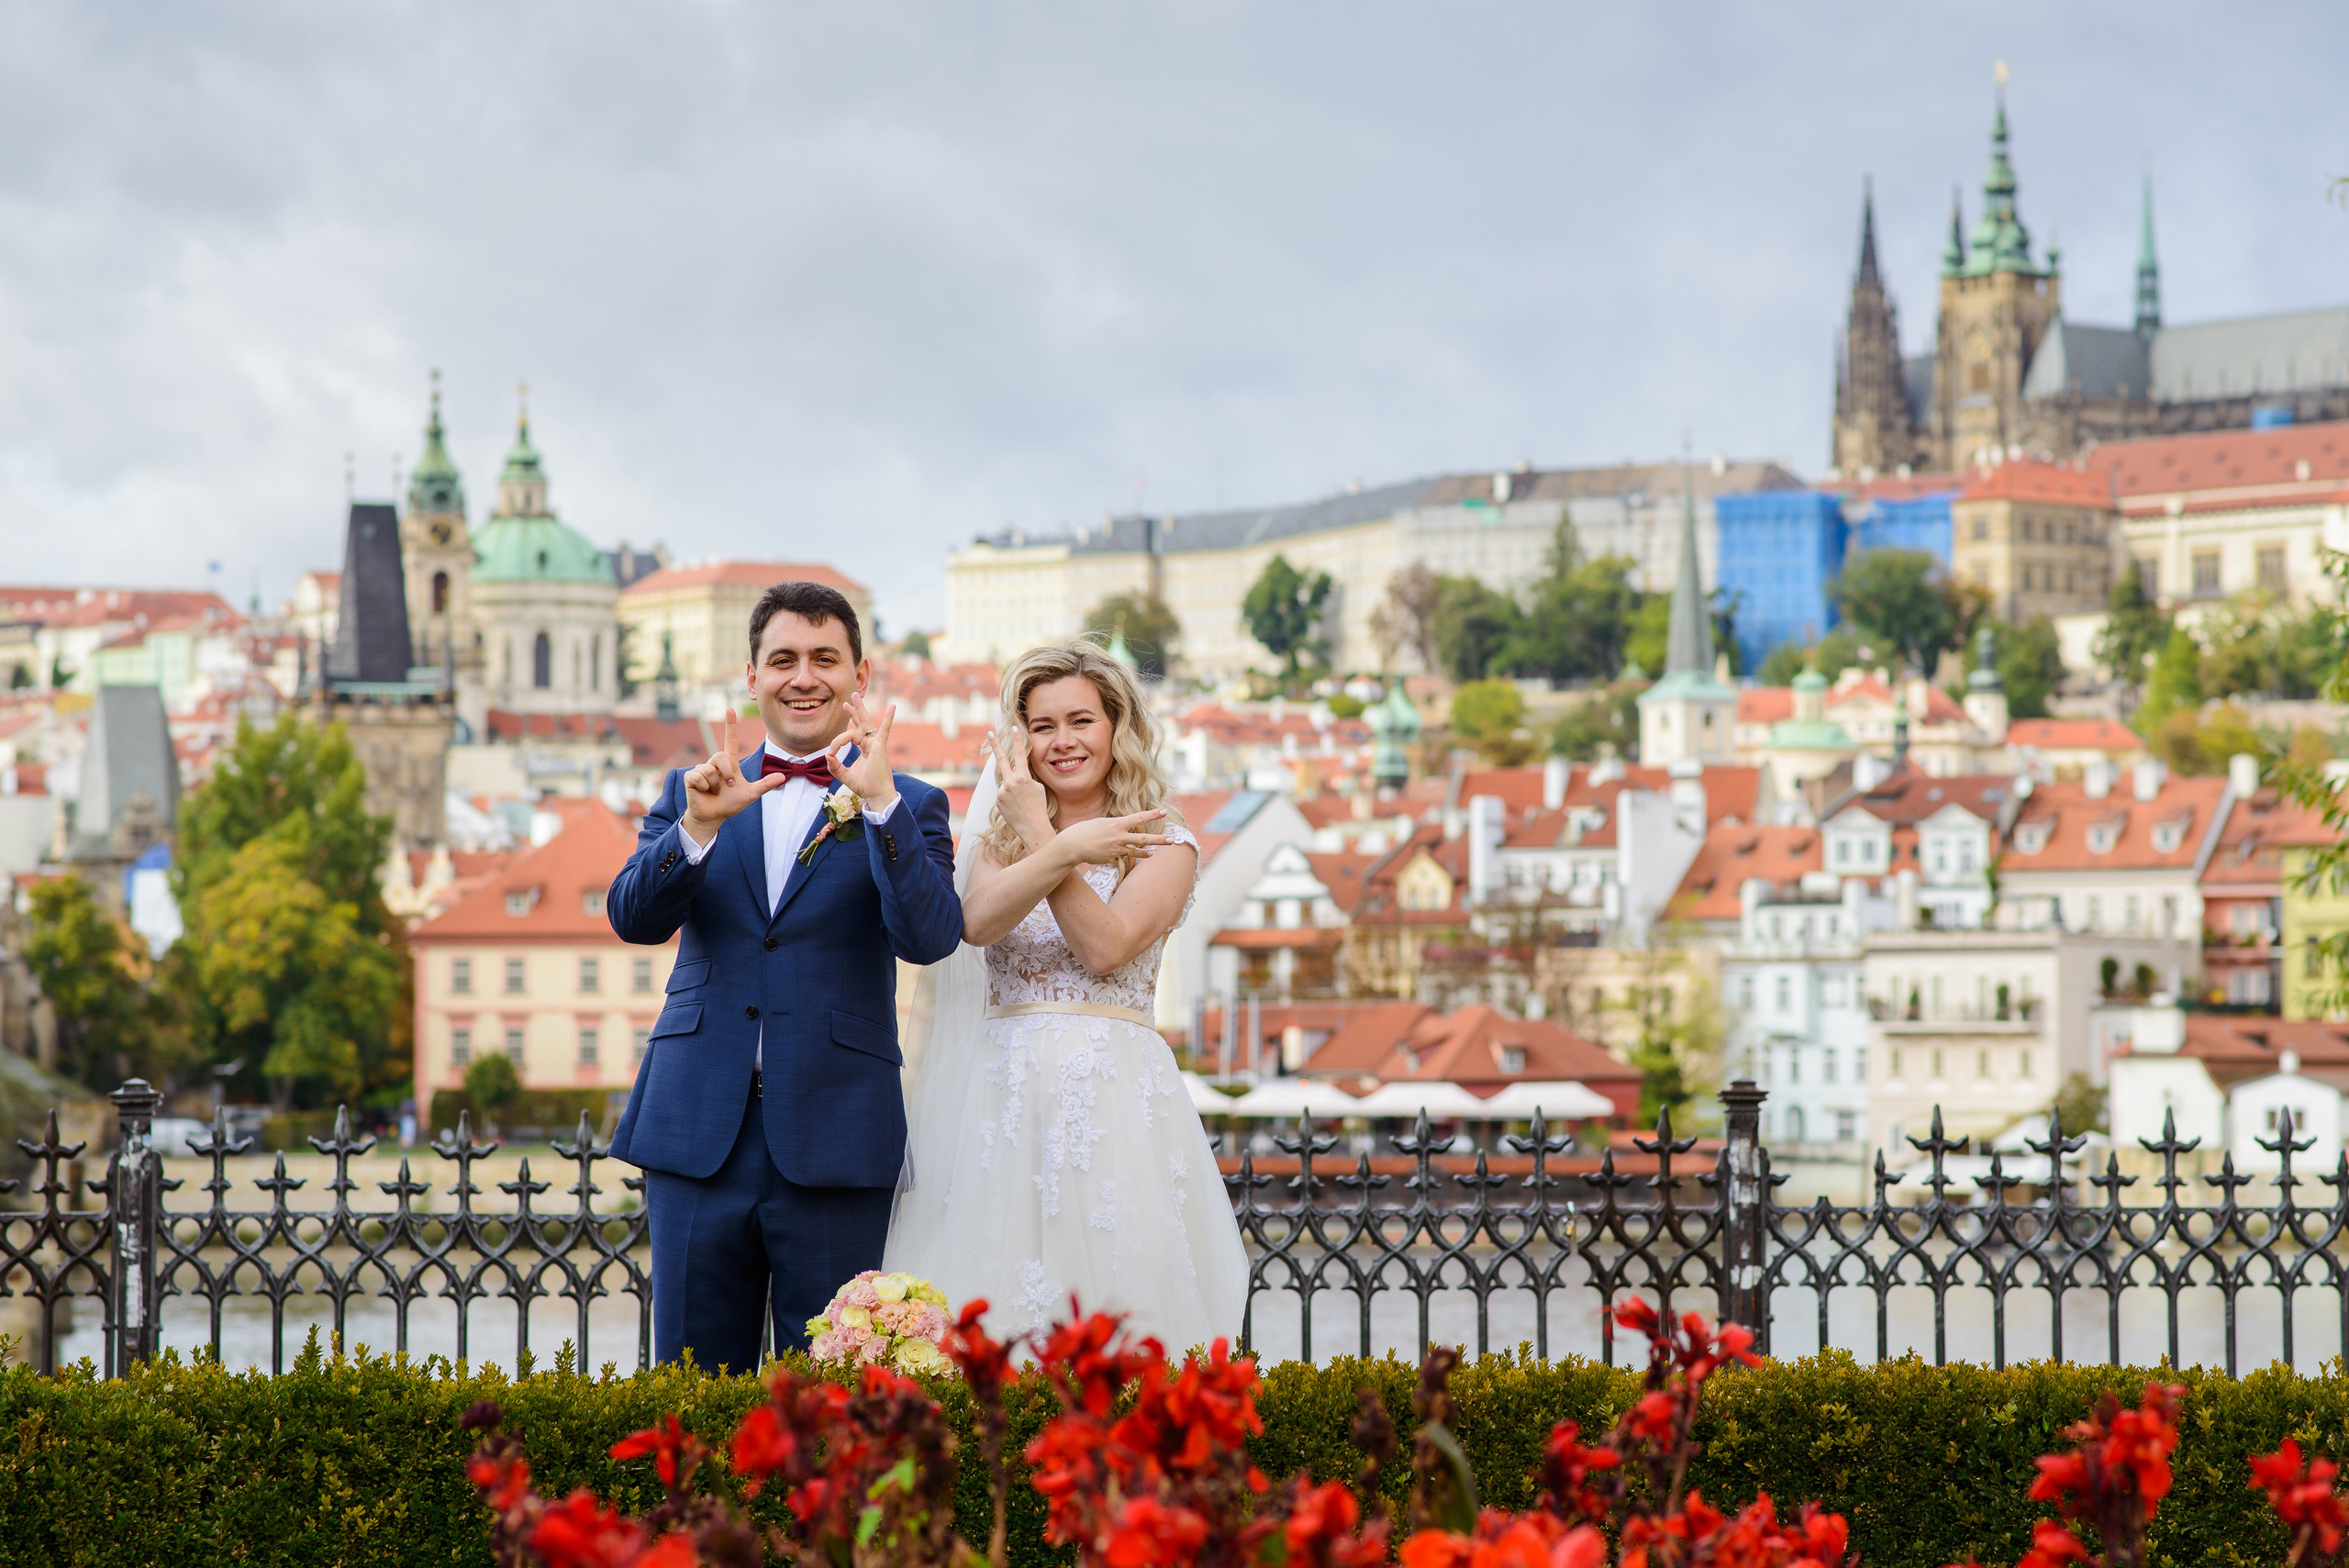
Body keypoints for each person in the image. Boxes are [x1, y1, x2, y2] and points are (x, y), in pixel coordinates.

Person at [607, 581, 962, 1371]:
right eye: (784, 660)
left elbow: (931, 937)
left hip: (839, 1132)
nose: (804, 677)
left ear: (859, 676)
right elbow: (632, 918)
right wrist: (697, 828)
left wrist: (879, 806)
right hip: (697, 1126)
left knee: (830, 1395)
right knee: (691, 1387)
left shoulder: (913, 803)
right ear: (752, 676)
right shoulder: (691, 790)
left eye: (825, 659)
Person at [884, 640, 1246, 1351]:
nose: (1063, 741)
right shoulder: (999, 840)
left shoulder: (1162, 841)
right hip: (1001, 1091)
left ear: (1117, 727)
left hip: (1110, 1093)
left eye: (1081, 720)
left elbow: (1106, 946)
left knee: (1118, 1293)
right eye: (1043, 725)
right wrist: (1053, 843)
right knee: (992, 1291)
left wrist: (1043, 837)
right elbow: (976, 924)